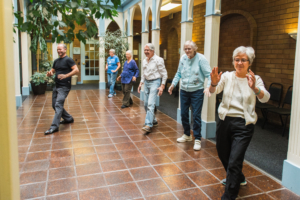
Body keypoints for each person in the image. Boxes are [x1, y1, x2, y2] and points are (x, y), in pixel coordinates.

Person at [208, 46, 270, 200]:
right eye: (237, 59)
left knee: (235, 159)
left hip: (244, 124)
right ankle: (239, 177)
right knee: (224, 154)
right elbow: (212, 91)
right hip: (225, 121)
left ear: (249, 63)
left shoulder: (255, 79)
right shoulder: (227, 76)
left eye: (243, 60)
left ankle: (230, 195)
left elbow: (266, 97)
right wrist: (214, 83)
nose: (240, 62)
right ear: (233, 61)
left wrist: (255, 88)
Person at [168, 40, 212, 151]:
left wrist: (208, 87)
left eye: (189, 48)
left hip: (197, 91)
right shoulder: (183, 58)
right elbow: (178, 73)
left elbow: (209, 74)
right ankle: (187, 135)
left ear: (194, 49)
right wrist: (173, 84)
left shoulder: (201, 59)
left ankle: (197, 138)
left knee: (196, 115)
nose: (187, 51)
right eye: (185, 49)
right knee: (183, 114)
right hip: (184, 91)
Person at [45, 44, 79, 135]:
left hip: (64, 86)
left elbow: (76, 70)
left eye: (60, 49)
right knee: (54, 105)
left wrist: (66, 75)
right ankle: (68, 118)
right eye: (57, 49)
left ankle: (54, 127)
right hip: (57, 85)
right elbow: (53, 70)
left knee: (58, 104)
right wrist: (50, 73)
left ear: (65, 49)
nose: (58, 51)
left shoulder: (68, 60)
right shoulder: (56, 61)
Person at [138, 43, 168, 133]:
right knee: (146, 104)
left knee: (151, 104)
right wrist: (141, 83)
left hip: (155, 82)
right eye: (145, 50)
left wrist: (162, 86)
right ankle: (154, 121)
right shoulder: (144, 61)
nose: (146, 52)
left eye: (147, 50)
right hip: (146, 82)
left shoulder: (158, 60)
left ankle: (148, 124)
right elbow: (144, 73)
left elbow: (164, 74)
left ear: (152, 50)